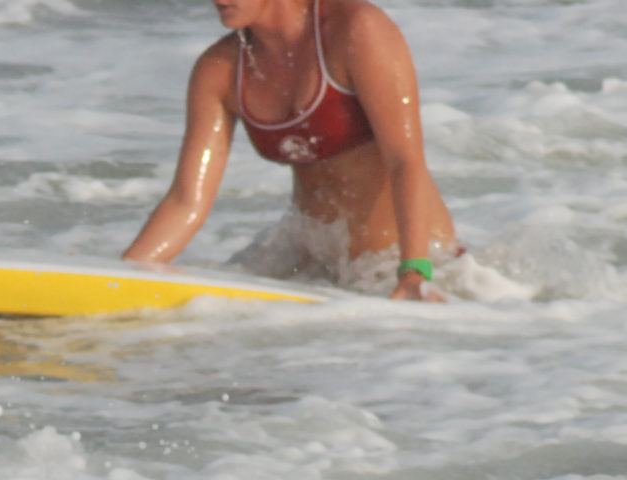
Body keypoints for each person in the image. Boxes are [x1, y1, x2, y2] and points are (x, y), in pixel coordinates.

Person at [123, 0, 459, 300]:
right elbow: (186, 201)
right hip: (313, 263)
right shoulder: (220, 70)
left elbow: (405, 161)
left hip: (405, 263)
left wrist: (414, 271)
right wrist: (124, 275)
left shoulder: (356, 29)